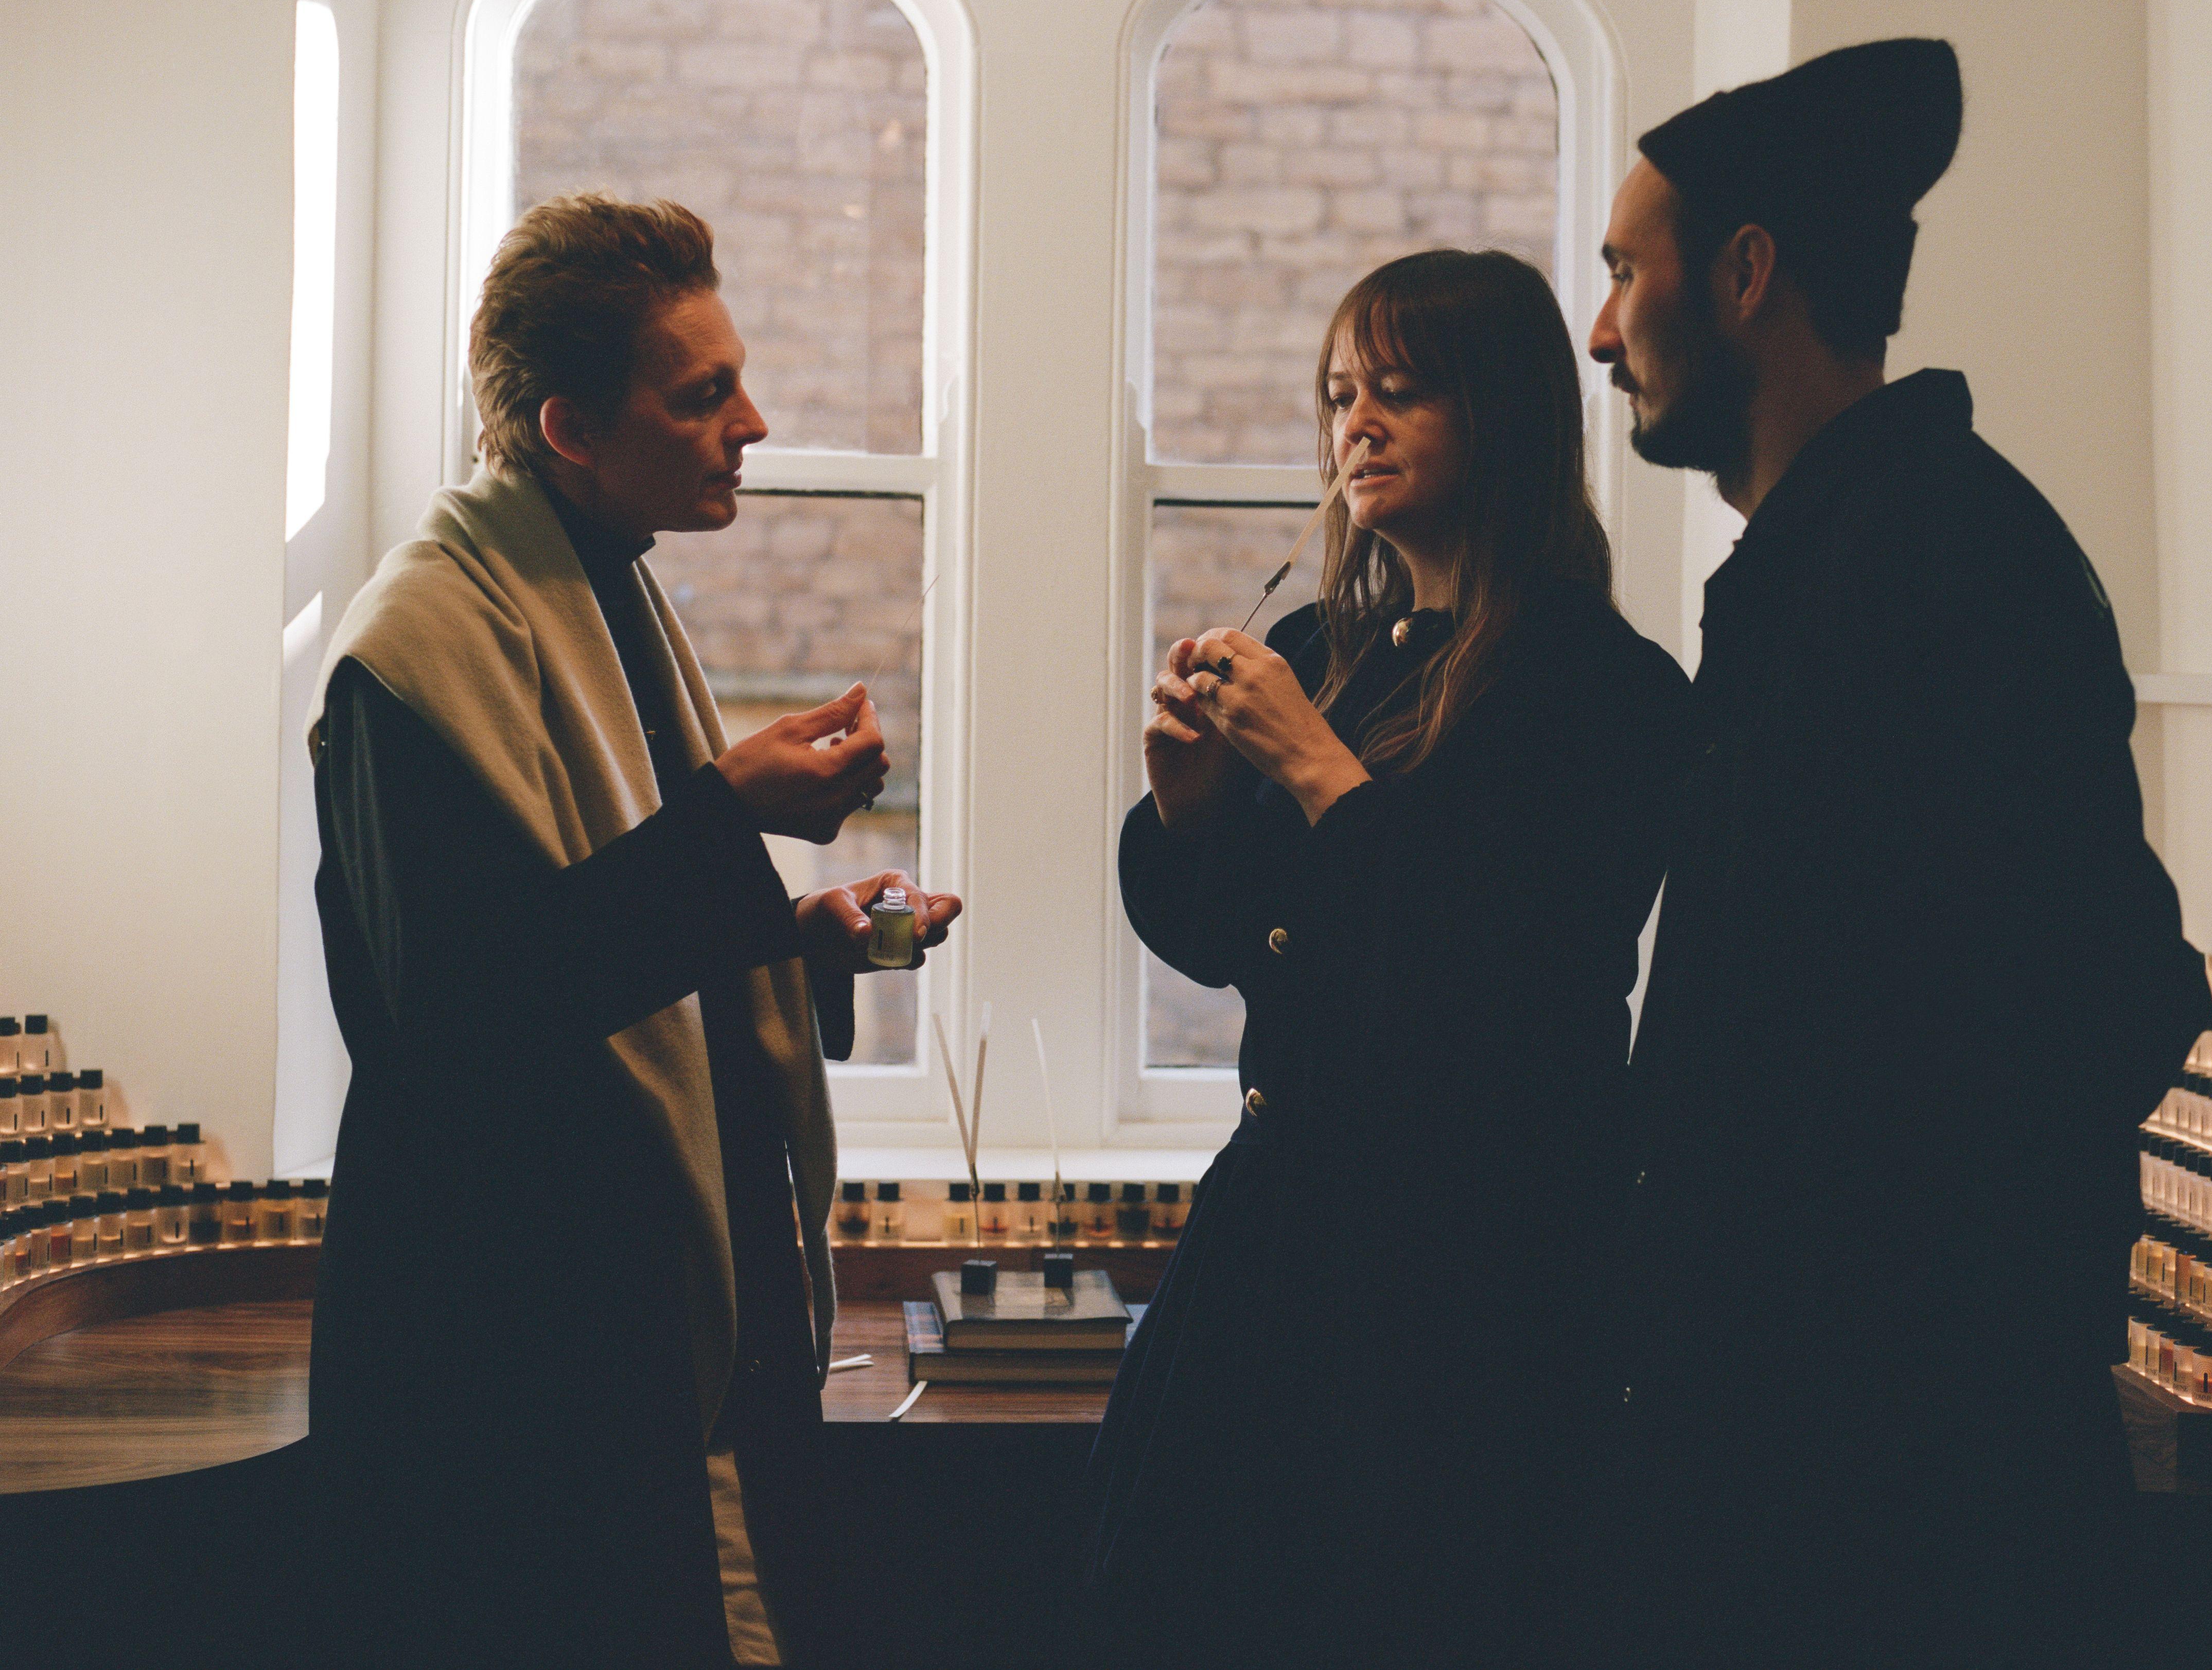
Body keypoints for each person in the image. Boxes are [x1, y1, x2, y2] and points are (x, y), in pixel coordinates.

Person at [1584, 39, 2209, 1665]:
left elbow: (2115, 996)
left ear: (1741, 275)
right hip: (1795, 1465)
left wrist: (1825, 1311)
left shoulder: (1942, 557)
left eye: (1620, 273)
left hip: (1896, 1506)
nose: (1597, 331)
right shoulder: (1816, 563)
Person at [303, 195, 962, 1669]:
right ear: (571, 428)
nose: (753, 421)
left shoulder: (606, 588)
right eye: (702, 393)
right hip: (511, 1372)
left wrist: (801, 940)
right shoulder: (411, 656)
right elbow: (454, 1022)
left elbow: (595, 944)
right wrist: (730, 818)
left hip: (634, 1341)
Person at [1077, 249, 1694, 1669]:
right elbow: (1247, 949)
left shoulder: (1604, 691)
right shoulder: (1329, 644)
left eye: (1400, 394)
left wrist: (1309, 762)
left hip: (1466, 1294)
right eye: (1341, 393)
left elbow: (1486, 990)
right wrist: (1185, 806)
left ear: (1506, 417)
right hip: (1276, 1254)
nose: (1354, 424)